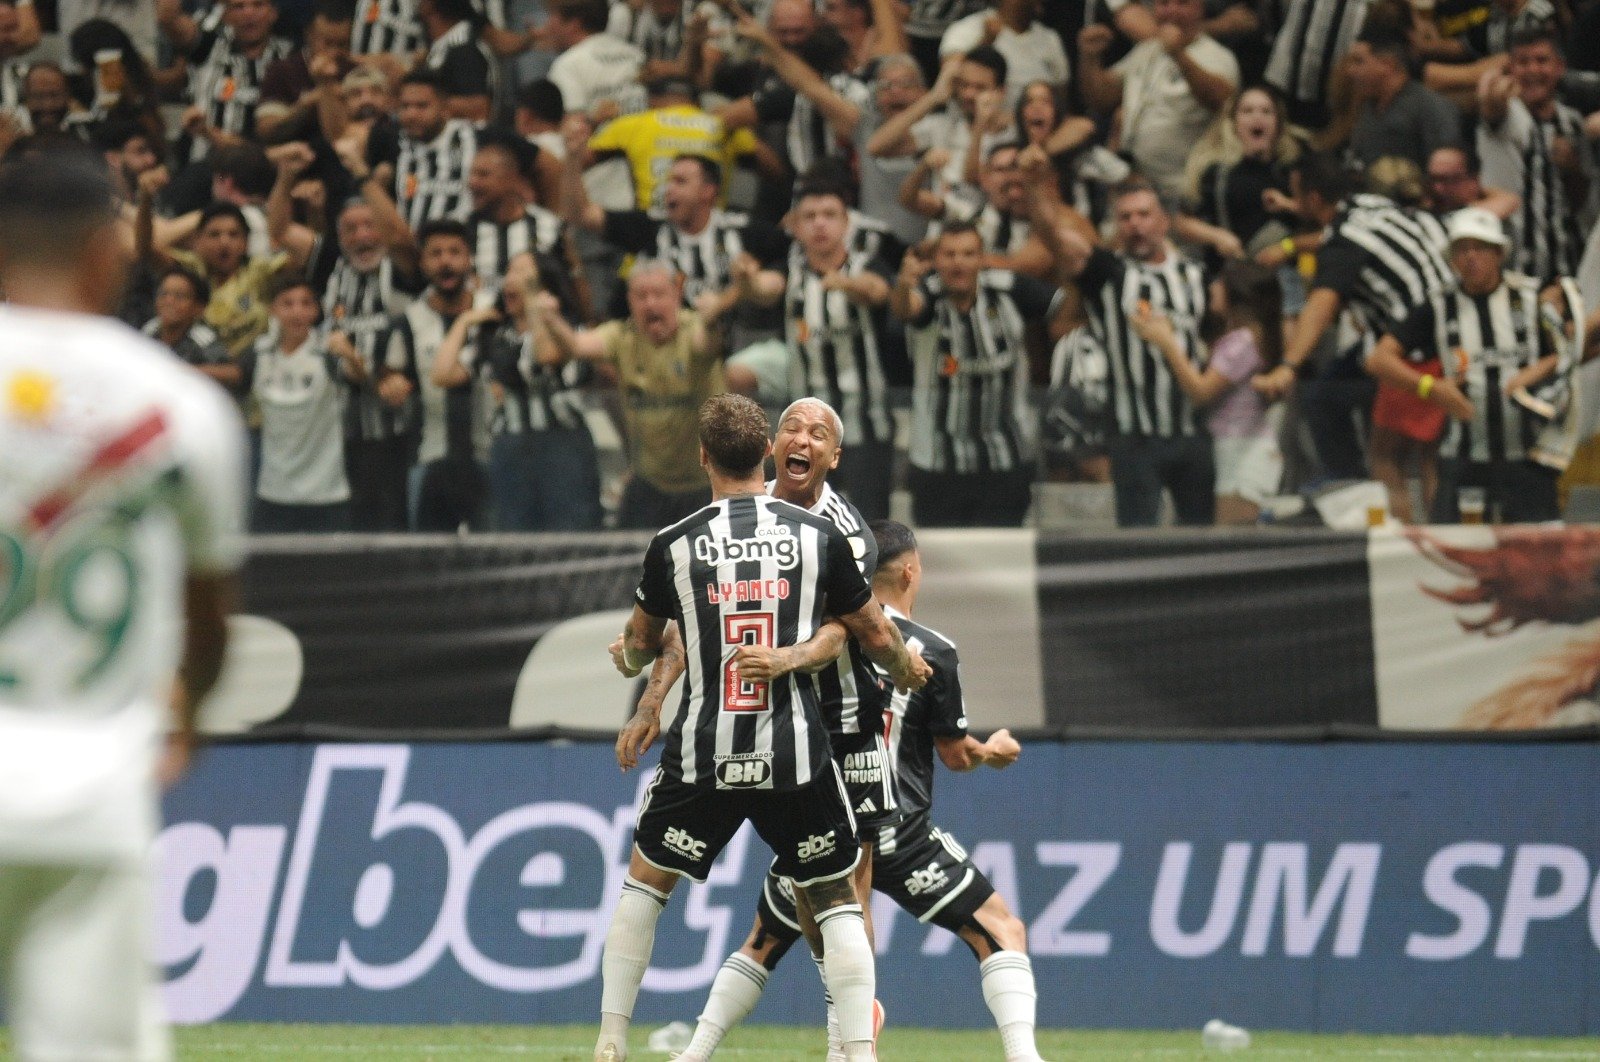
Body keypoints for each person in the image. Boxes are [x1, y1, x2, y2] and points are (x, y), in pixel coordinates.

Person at [595, 392, 928, 1062]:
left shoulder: (674, 543)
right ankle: (858, 1052)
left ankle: (610, 1042)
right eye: (791, 429)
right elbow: (864, 629)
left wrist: (638, 672)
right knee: (837, 899)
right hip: (797, 747)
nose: (803, 440)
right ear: (769, 451)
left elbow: (646, 640)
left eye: (817, 432)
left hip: (712, 746)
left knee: (646, 882)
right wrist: (904, 663)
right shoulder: (820, 539)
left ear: (702, 457)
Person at [0, 142, 242, 1062]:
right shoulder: (178, 410)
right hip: (90, 801)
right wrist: (190, 716)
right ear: (113, 252)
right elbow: (209, 619)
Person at [678, 520, 1045, 1062]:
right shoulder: (934, 651)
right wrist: (991, 751)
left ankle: (695, 1052)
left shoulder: (820, 636)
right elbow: (953, 753)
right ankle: (1023, 1057)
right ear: (910, 571)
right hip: (899, 830)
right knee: (1000, 929)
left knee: (761, 942)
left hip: (825, 825)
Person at [1029, 168, 1216, 527]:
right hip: (1136, 438)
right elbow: (1055, 238)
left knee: (1199, 539)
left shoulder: (1195, 275)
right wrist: (1035, 182)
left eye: (1144, 215)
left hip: (1192, 435)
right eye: (1126, 217)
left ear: (1163, 222)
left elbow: (1212, 336)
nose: (1135, 224)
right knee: (1138, 541)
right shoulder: (1110, 274)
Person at [1366, 207, 1572, 523]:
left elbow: (1569, 349)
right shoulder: (1439, 305)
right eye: (1462, 250)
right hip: (1463, 455)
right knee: (1457, 556)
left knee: (1538, 557)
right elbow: (1379, 359)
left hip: (1528, 453)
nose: (1470, 257)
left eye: (1480, 248)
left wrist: (1535, 372)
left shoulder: (1530, 297)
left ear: (1499, 253)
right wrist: (1430, 388)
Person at [737, 178, 899, 520]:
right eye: (809, 216)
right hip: (807, 429)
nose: (820, 223)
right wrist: (747, 280)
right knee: (805, 521)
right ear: (796, 225)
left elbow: (879, 291)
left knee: (868, 522)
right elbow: (766, 288)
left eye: (829, 214)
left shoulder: (866, 265)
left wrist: (847, 285)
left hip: (866, 422)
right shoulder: (791, 271)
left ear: (846, 223)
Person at [891, 222, 1059, 525]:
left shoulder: (1009, 289)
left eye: (968, 254)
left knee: (1002, 562)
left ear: (982, 259)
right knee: (943, 568)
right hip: (937, 465)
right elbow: (908, 310)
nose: (958, 262)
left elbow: (1063, 305)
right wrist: (903, 285)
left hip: (1005, 460)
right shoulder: (927, 294)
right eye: (950, 254)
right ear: (937, 261)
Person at [538, 258, 725, 528]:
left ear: (676, 295)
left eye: (659, 294)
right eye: (641, 296)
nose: (650, 304)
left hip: (706, 484)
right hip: (651, 482)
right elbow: (577, 347)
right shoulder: (622, 337)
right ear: (629, 301)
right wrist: (552, 320)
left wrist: (711, 320)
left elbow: (706, 344)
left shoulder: (693, 330)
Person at [1131, 258, 1286, 525]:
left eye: (1219, 283)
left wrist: (1167, 344)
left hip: (1243, 453)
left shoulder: (1242, 343)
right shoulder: (1246, 338)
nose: (1212, 288)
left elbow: (1201, 392)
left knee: (1233, 544)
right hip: (1235, 448)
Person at [240, 272, 368, 532]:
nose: (296, 312)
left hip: (326, 493)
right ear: (272, 310)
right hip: (273, 492)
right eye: (287, 303)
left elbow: (361, 380)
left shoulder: (329, 353)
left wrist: (352, 355)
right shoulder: (257, 353)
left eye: (305, 303)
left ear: (316, 310)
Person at [1078, 0, 1239, 203]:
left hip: (1183, 193)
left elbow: (1223, 102)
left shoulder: (1217, 56)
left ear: (1199, 8)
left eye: (1182, 3)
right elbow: (1102, 100)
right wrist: (1090, 58)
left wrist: (1178, 54)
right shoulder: (1147, 50)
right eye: (1163, 3)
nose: (1171, 10)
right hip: (1132, 184)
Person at [1477, 28, 1590, 285]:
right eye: (1523, 62)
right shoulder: (1509, 115)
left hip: (1565, 264)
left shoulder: (1570, 122)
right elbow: (1493, 110)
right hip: (1515, 266)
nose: (1532, 70)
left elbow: (1579, 202)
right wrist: (1491, 99)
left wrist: (1573, 167)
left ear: (1559, 68)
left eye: (1541, 61)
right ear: (1511, 68)